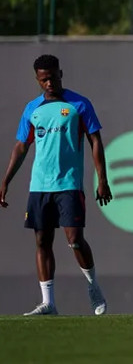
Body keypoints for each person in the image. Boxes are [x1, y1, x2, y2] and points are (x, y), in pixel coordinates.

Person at [0, 55, 110, 316]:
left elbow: (95, 140)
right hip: (40, 185)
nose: (49, 82)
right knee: (42, 240)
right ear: (37, 79)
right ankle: (48, 302)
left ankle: (93, 286)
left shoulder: (79, 104)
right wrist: (5, 181)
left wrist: (102, 179)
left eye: (53, 77)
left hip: (69, 183)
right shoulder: (32, 109)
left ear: (61, 73)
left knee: (74, 239)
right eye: (43, 79)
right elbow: (21, 146)